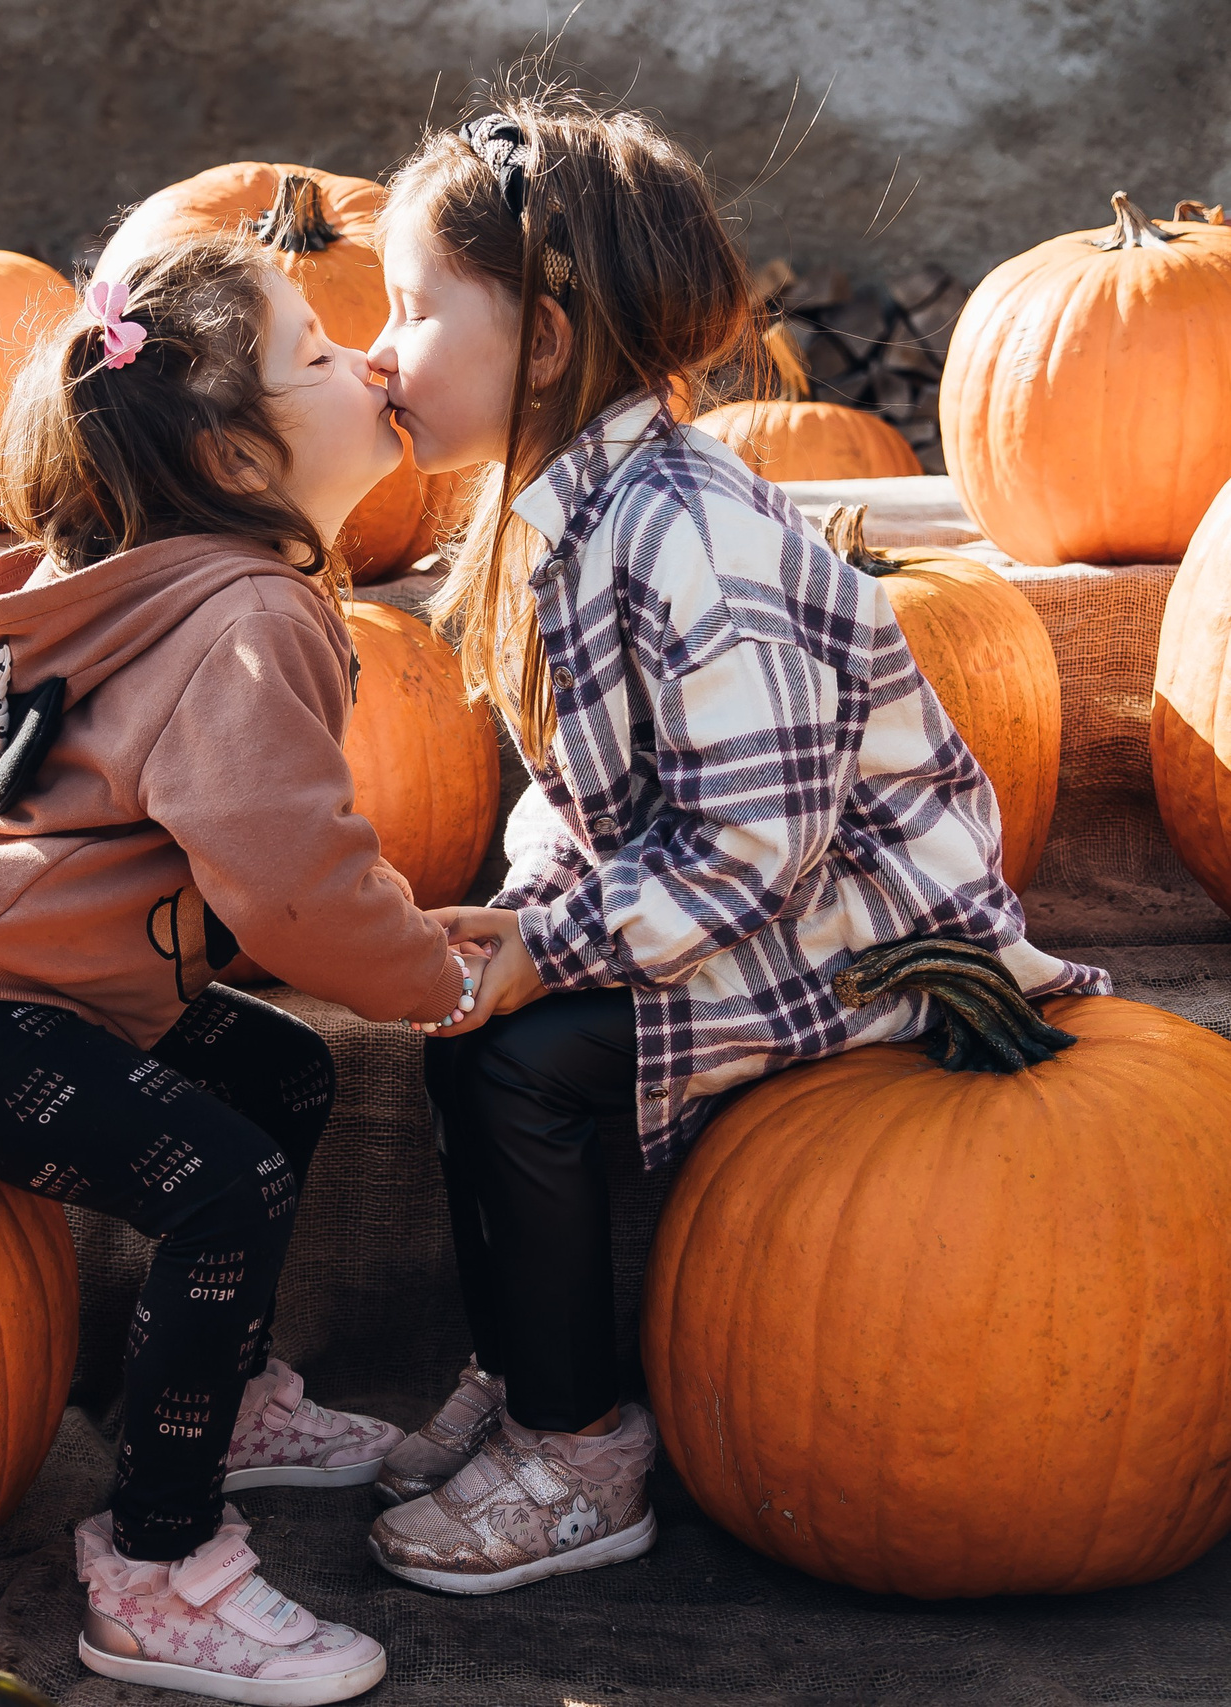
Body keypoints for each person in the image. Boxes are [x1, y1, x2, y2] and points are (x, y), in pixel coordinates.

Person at [361, 93, 1110, 1595]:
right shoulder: (561, 512)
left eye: (413, 311)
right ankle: (520, 1369)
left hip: (864, 937)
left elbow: (752, 845)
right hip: (743, 903)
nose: (379, 350)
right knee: (463, 1039)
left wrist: (558, 951)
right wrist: (522, 919)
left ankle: (584, 1451)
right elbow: (603, 793)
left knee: (525, 1065)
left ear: (550, 342)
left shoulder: (686, 533)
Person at [0, 233, 483, 1704]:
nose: (369, 358)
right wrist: (440, 981)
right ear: (238, 457)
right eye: (320, 351)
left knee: (278, 1070)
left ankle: (213, 1398)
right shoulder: (245, 615)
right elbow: (291, 881)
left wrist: (417, 936)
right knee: (218, 1180)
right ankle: (157, 1563)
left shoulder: (157, 580)